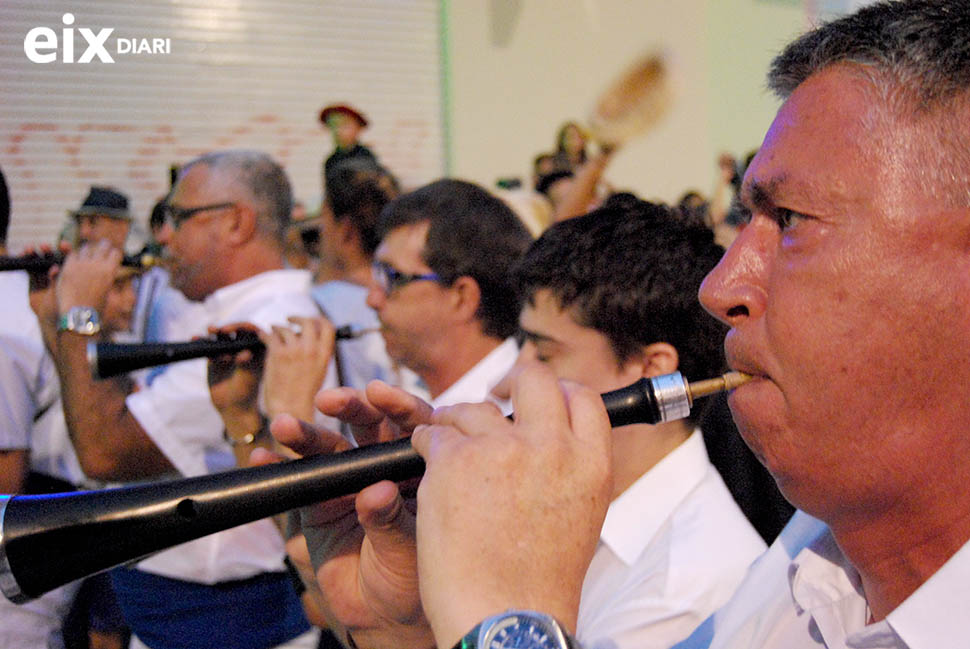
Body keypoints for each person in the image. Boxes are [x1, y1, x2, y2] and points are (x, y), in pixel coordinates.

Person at [282, 2, 970, 648]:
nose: (719, 286)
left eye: (788, 221)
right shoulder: (813, 561)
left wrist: (512, 620)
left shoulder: (714, 571)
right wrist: (409, 630)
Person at [33, 150, 323, 649]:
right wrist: (53, 322)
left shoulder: (261, 326)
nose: (163, 236)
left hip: (228, 621)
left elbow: (104, 451)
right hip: (183, 613)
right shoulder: (215, 308)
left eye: (177, 218)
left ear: (236, 223)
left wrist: (80, 314)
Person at [365, 178, 533, 406]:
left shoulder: (512, 415)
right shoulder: (430, 399)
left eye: (392, 277)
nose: (372, 299)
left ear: (462, 298)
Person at [320, 103, 378, 190]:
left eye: (344, 126)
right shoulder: (331, 160)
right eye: (332, 126)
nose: (337, 131)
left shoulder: (364, 157)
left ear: (358, 128)